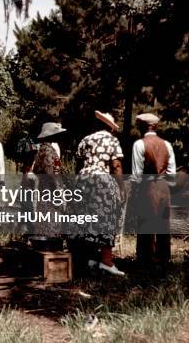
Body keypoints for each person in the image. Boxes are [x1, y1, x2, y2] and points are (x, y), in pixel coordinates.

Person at [75, 111, 126, 276]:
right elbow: (116, 165)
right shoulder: (112, 140)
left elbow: (79, 162)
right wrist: (121, 187)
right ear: (110, 128)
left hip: (84, 179)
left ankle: (89, 259)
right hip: (102, 180)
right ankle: (106, 261)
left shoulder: (86, 140)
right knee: (107, 217)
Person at [132, 112, 176, 265]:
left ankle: (145, 259)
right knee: (163, 224)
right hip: (164, 187)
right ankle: (164, 258)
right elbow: (172, 174)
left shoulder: (139, 144)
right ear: (155, 127)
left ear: (142, 126)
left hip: (147, 186)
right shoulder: (167, 145)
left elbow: (137, 175)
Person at [33, 122, 68, 237]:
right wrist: (58, 194)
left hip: (44, 191)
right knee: (51, 222)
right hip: (50, 193)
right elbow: (51, 174)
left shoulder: (43, 149)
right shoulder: (48, 151)